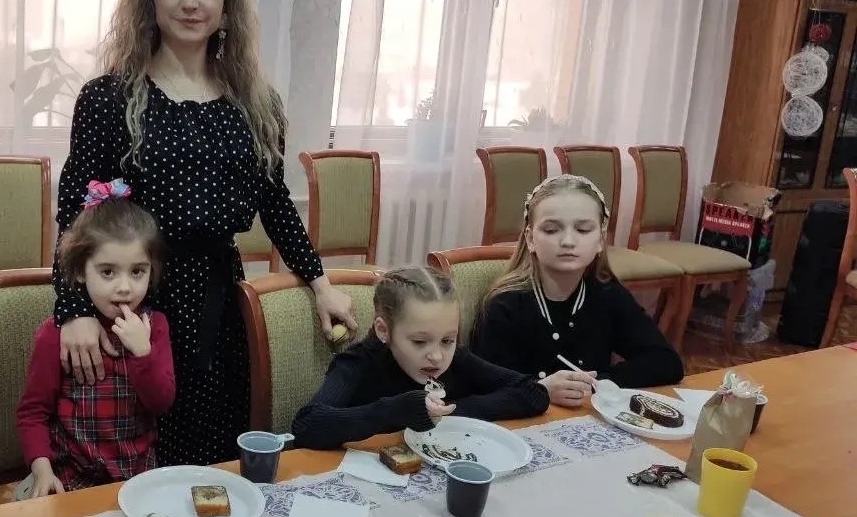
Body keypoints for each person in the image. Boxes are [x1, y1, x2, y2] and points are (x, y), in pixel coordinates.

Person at [54, 0, 356, 466]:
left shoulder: (256, 103)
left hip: (219, 301)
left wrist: (321, 283)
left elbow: (275, 202)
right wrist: (73, 310)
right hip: (134, 296)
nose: (190, 1)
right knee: (137, 455)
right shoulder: (107, 97)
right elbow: (76, 214)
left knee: (215, 452)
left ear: (226, 2)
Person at [15, 181, 175, 497]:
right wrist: (42, 470)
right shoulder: (56, 335)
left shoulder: (155, 326)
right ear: (80, 272)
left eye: (138, 272)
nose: (125, 287)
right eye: (108, 272)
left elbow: (162, 404)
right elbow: (33, 413)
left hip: (138, 480)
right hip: (71, 478)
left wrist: (143, 353)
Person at [472, 174, 684, 407]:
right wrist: (540, 390)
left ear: (600, 240)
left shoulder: (607, 294)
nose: (568, 241)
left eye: (582, 230)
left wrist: (599, 383)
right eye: (551, 230)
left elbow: (666, 362)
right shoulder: (505, 305)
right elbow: (485, 388)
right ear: (530, 239)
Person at [292, 266, 548, 449]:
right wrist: (397, 411)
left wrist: (449, 413)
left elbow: (533, 392)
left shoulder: (456, 359)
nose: (436, 356)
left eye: (447, 340)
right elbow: (306, 425)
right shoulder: (358, 363)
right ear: (384, 330)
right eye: (419, 342)